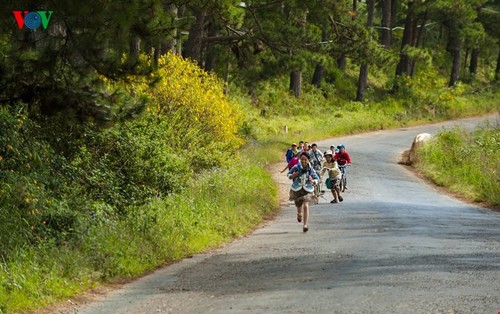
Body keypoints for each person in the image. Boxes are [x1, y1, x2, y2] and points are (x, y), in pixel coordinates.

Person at [288, 152, 319, 232]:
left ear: (308, 160)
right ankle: (299, 214)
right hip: (297, 189)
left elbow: (317, 179)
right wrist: (293, 176)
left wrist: (313, 181)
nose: (304, 161)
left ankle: (305, 225)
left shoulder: (311, 169)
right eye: (302, 159)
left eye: (305, 160)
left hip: (308, 189)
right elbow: (289, 174)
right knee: (299, 206)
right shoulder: (296, 167)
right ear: (299, 159)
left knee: (305, 205)